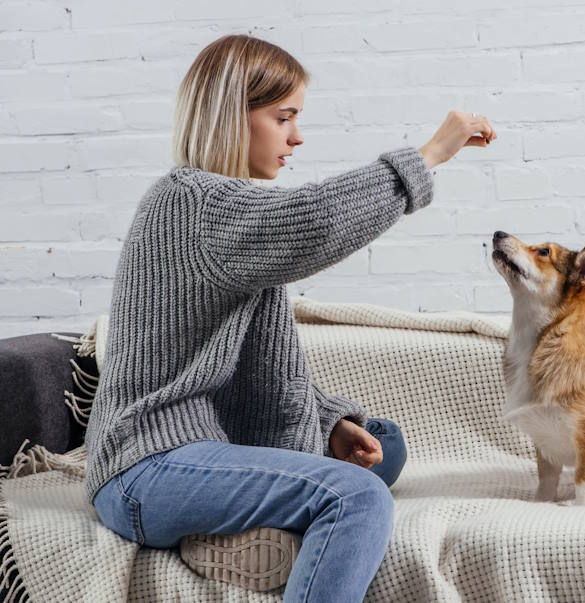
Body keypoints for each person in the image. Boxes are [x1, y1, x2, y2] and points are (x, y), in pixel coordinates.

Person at [86, 33, 496, 602]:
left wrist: (325, 424)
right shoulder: (192, 203)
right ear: (234, 116)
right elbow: (319, 221)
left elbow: (264, 374)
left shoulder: (233, 209)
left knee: (384, 442)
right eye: (284, 118)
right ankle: (232, 529)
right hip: (146, 468)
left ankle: (232, 535)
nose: (297, 137)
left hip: (204, 445)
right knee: (356, 495)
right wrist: (427, 156)